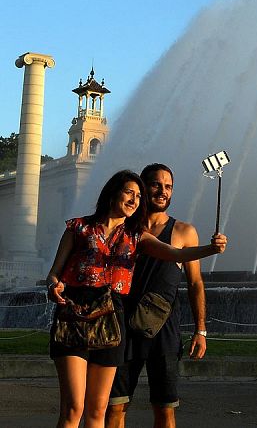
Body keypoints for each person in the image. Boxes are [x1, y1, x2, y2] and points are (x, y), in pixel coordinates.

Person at [46, 170, 227, 428]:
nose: (134, 199)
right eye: (130, 192)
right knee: (76, 408)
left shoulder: (135, 236)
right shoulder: (78, 228)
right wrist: (54, 285)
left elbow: (175, 254)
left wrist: (211, 249)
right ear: (112, 192)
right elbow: (54, 273)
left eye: (138, 196)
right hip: (75, 317)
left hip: (114, 322)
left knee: (99, 411)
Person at [106, 163, 208, 428]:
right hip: (122, 328)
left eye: (168, 186)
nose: (163, 191)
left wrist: (201, 330)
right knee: (115, 406)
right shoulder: (123, 228)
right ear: (142, 187)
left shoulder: (184, 232)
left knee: (164, 410)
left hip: (164, 332)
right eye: (156, 185)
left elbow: (195, 283)